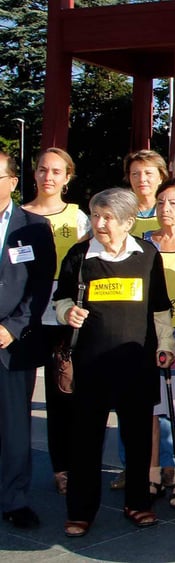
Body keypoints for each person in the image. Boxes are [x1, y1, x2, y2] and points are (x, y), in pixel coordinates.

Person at [54, 188, 174, 537]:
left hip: (136, 364)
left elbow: (160, 308)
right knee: (85, 441)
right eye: (95, 216)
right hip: (90, 365)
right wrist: (67, 312)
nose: (100, 223)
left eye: (108, 217)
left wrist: (165, 344)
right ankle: (80, 510)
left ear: (128, 222)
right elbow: (60, 299)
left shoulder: (148, 255)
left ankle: (138, 503)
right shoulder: (80, 255)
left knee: (138, 440)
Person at [20, 148, 90, 497]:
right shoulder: (16, 216)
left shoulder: (79, 219)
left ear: (67, 177)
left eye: (57, 171)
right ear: (34, 174)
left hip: (64, 320)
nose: (49, 176)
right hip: (23, 318)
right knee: (17, 398)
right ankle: (14, 468)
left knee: (63, 397)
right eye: (43, 169)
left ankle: (64, 468)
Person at [0, 151, 56, 530]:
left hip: (11, 342)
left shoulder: (33, 226)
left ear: (13, 182)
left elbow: (39, 287)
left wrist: (13, 327)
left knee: (15, 428)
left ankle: (14, 499)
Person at [145, 178, 175, 509]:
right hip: (149, 333)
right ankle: (150, 473)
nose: (166, 208)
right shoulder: (144, 243)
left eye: (174, 202)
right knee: (150, 407)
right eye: (161, 202)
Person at [124, 149, 170, 236]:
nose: (142, 179)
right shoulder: (121, 209)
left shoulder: (173, 209)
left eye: (148, 173)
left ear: (161, 177)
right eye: (135, 174)